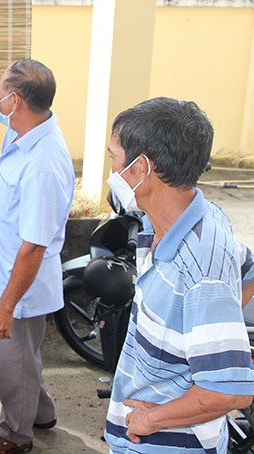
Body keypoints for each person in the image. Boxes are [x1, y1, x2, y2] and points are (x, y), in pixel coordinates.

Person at [103, 97, 254, 453]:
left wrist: (152, 419)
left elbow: (230, 390)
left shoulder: (200, 268)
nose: (111, 170)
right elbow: (249, 269)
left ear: (140, 169)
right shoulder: (194, 217)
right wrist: (198, 333)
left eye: (114, 157)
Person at [0, 59, 75, 454]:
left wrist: (6, 306)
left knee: (13, 366)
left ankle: (15, 433)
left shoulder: (43, 161)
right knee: (24, 359)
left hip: (17, 286)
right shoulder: (25, 134)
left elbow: (34, 245)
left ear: (14, 100)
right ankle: (37, 413)